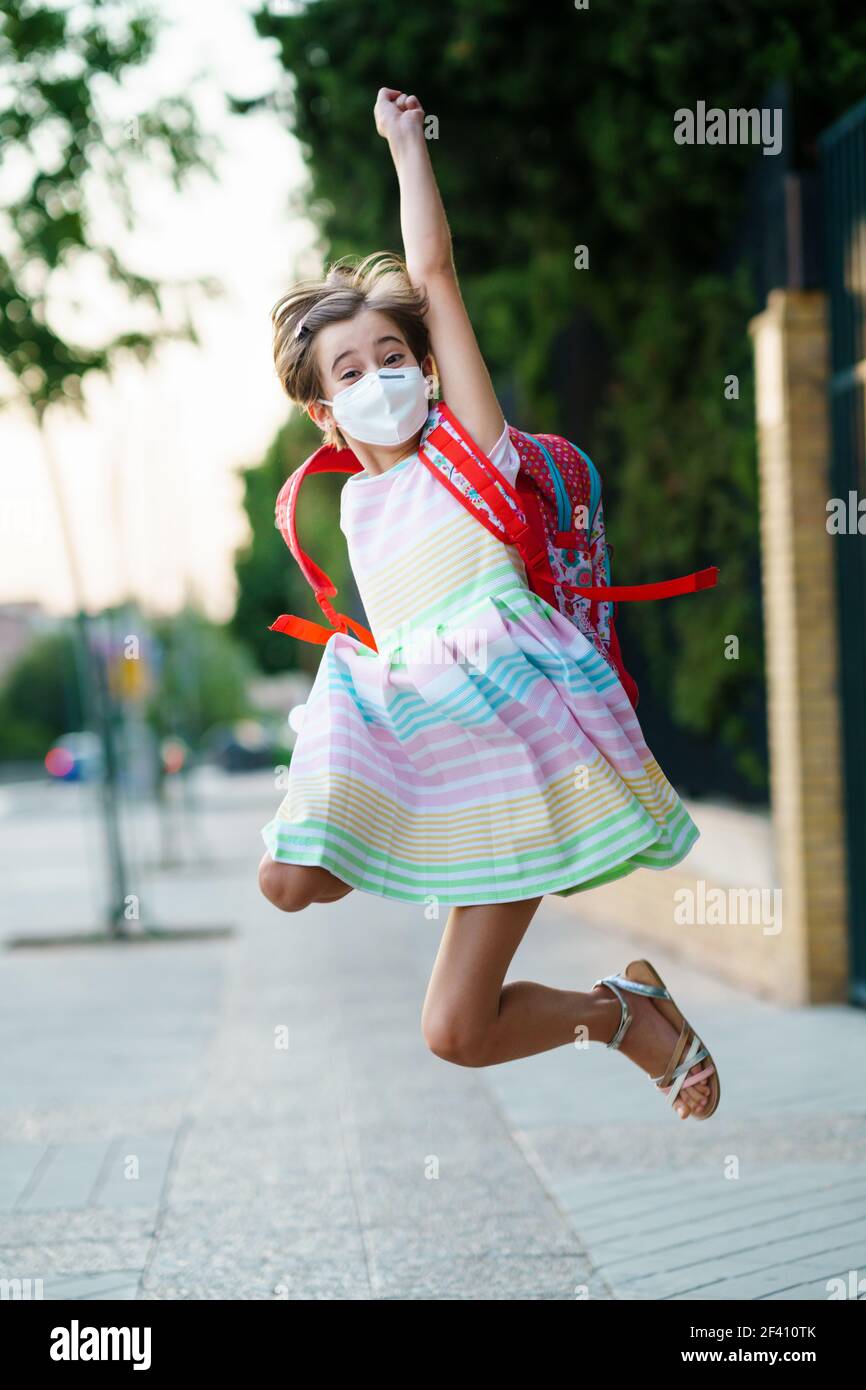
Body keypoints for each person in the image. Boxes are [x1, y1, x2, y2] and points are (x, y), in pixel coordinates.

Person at [257, 88, 719, 1120]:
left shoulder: (472, 451)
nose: (381, 374)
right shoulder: (357, 509)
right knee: (311, 907)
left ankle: (624, 1015)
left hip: (515, 741)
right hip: (428, 727)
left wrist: (404, 146)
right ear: (320, 411)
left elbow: (431, 273)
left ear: (423, 367)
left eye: (394, 356)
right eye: (351, 368)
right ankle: (621, 1007)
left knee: (448, 1026)